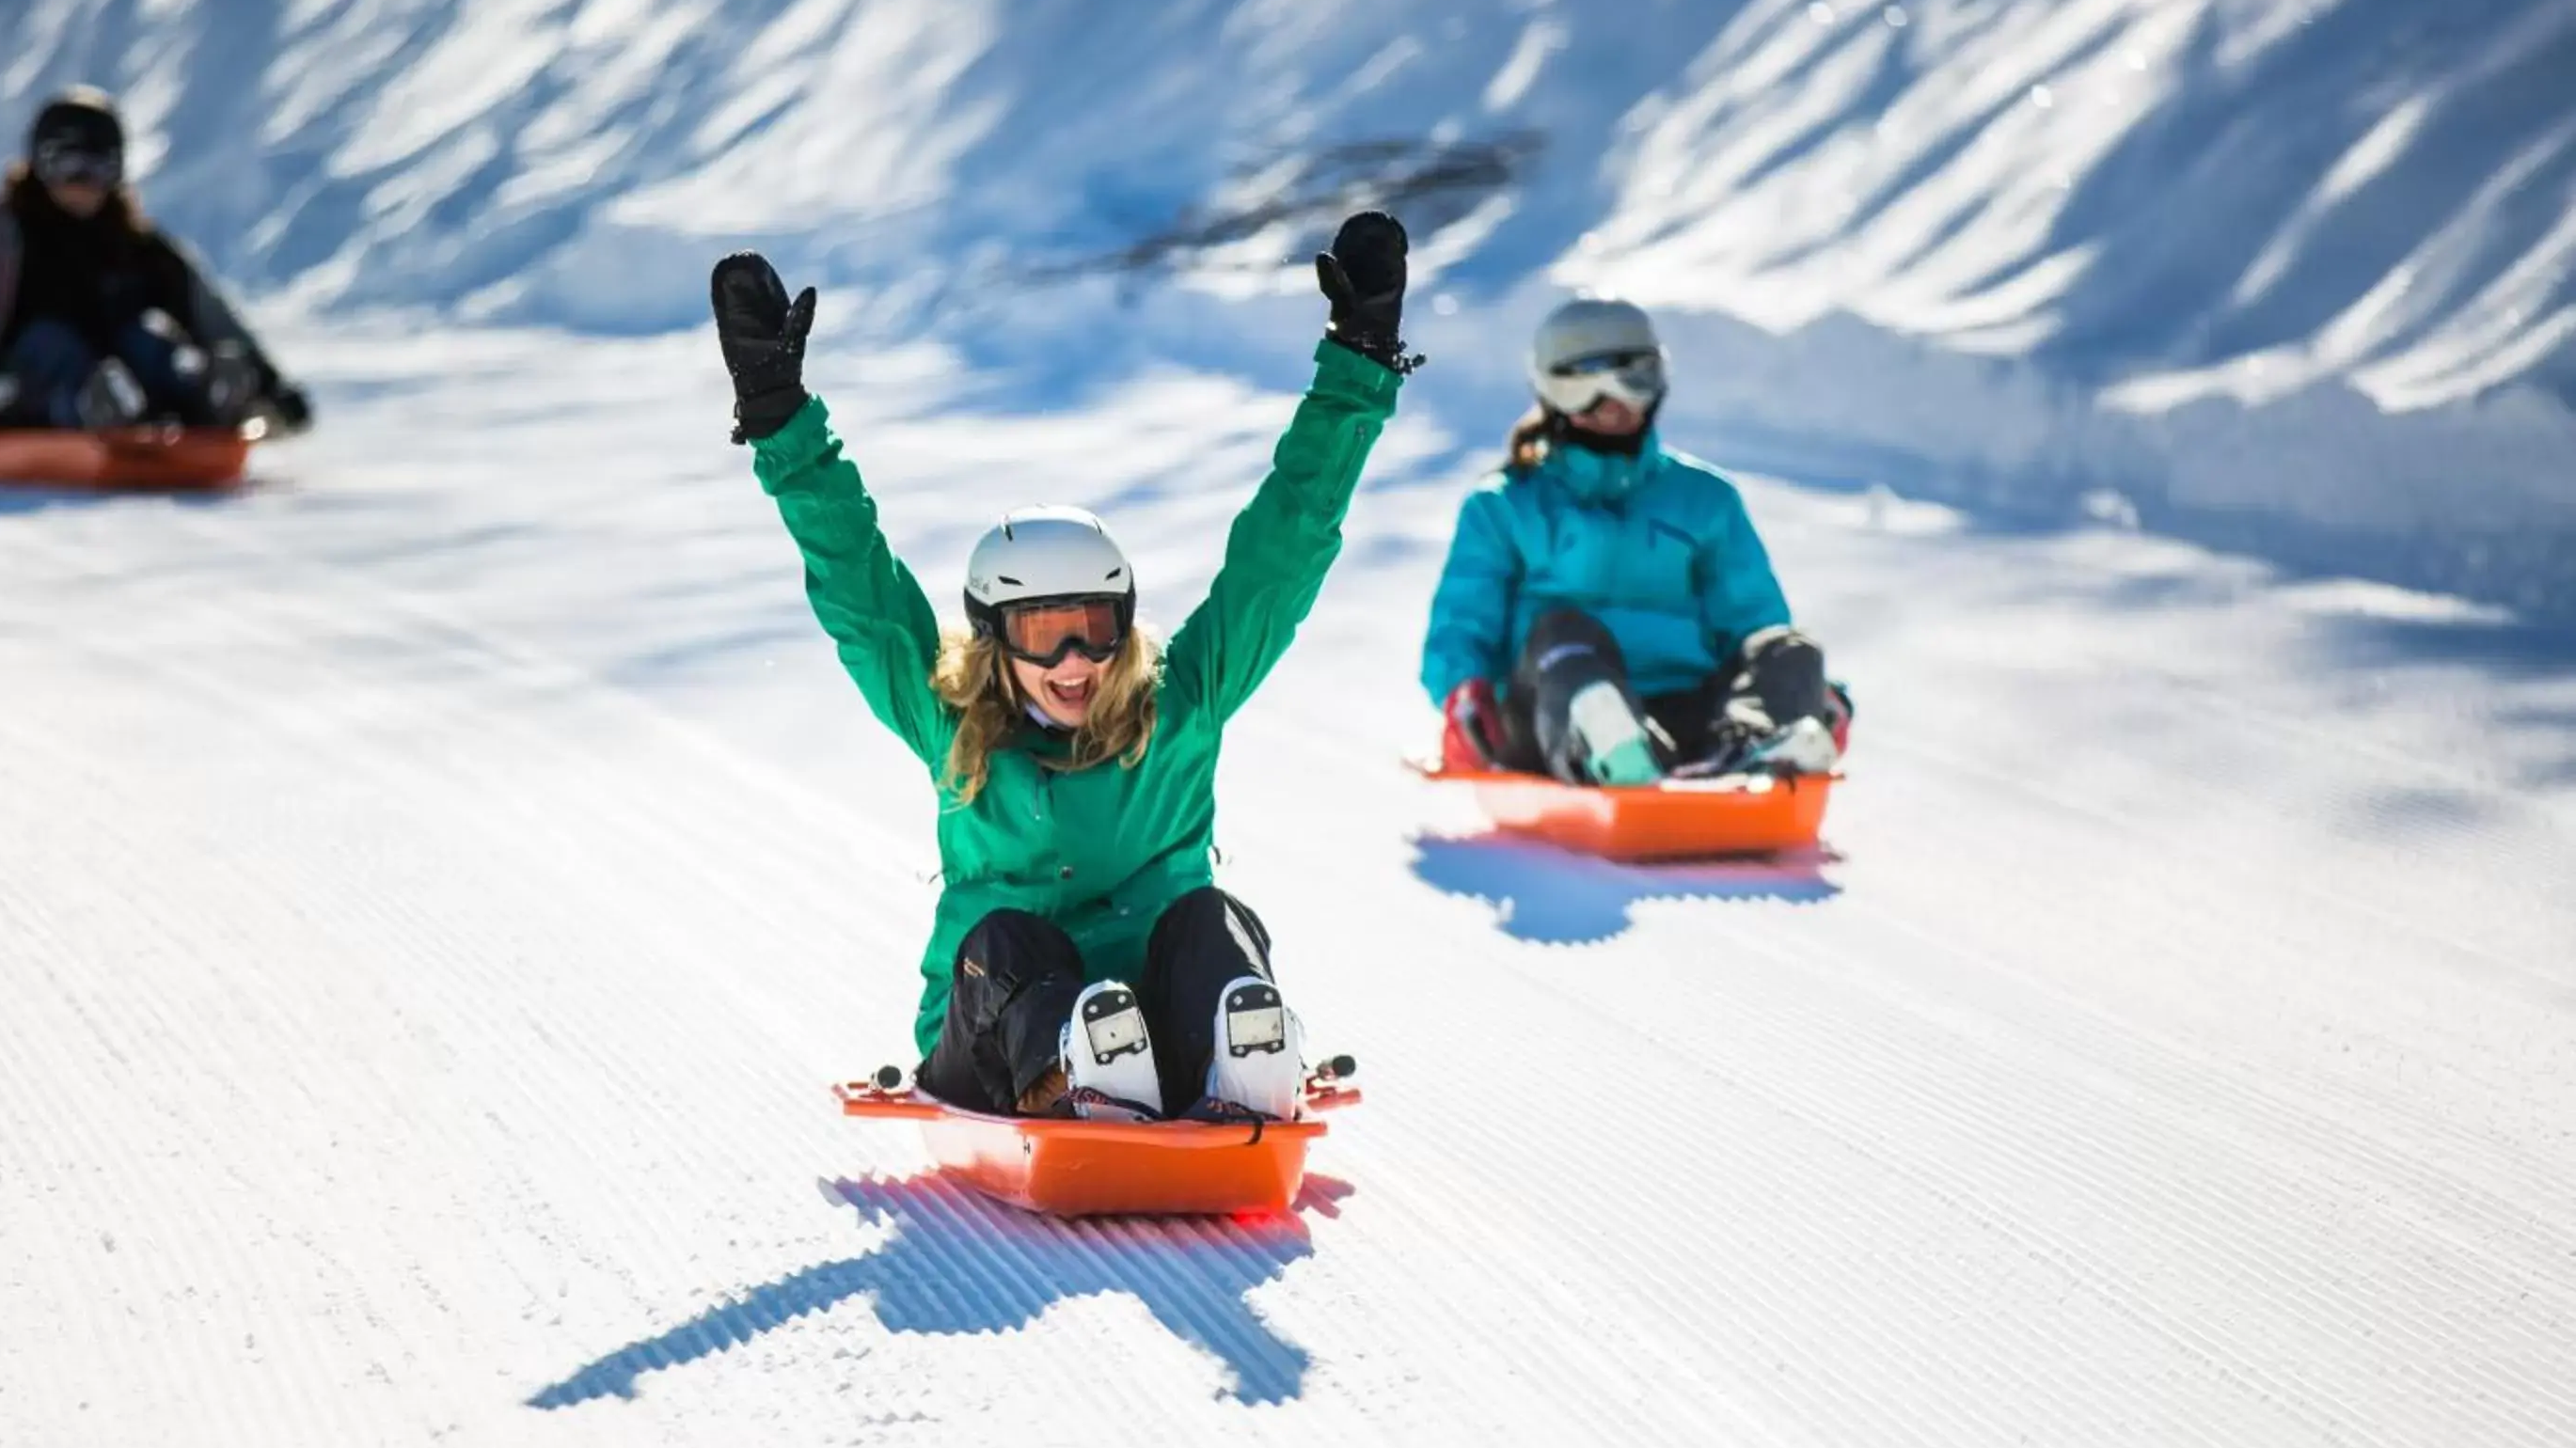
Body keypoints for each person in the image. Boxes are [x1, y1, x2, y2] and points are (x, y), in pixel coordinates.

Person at [714, 212, 1414, 1122]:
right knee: (1009, 940)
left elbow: (1281, 553)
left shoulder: (1182, 706)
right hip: (996, 1039)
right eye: (1046, 634)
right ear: (996, 640)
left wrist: (1357, 366)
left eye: (1097, 627)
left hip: (1162, 1024)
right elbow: (860, 588)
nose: (1076, 660)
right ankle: (1076, 1077)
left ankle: (1236, 1062)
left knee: (1211, 919)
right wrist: (780, 417)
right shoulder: (954, 722)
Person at [1421, 296, 1848, 786]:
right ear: (1549, 390)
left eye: (1632, 378)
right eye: (1583, 384)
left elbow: (1752, 622)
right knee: (1562, 633)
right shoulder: (1504, 505)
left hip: (1687, 714)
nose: (1612, 404)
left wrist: (1807, 690)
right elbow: (1462, 625)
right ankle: (1605, 747)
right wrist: (1464, 693)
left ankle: (1756, 748)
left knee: (1787, 647)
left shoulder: (1706, 499)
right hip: (1548, 712)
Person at [0, 87, 312, 438]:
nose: (82, 183)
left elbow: (206, 309)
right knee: (53, 343)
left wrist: (269, 380)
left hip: (129, 378)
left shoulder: (133, 242)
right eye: (67, 164)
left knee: (147, 340)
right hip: (22, 391)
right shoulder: (6, 236)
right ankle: (93, 411)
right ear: (39, 164)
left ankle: (210, 401)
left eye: (98, 167)